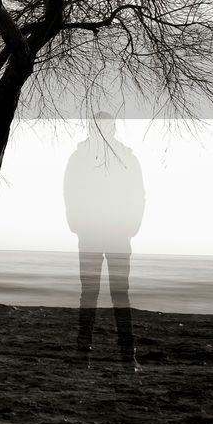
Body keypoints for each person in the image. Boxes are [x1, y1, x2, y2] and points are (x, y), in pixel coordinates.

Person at [63, 112, 145, 371]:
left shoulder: (123, 158)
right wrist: (76, 223)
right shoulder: (83, 158)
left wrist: (132, 225)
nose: (102, 131)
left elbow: (137, 195)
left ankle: (118, 356)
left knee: (109, 293)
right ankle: (105, 356)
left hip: (111, 232)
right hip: (97, 232)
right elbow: (70, 192)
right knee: (100, 294)